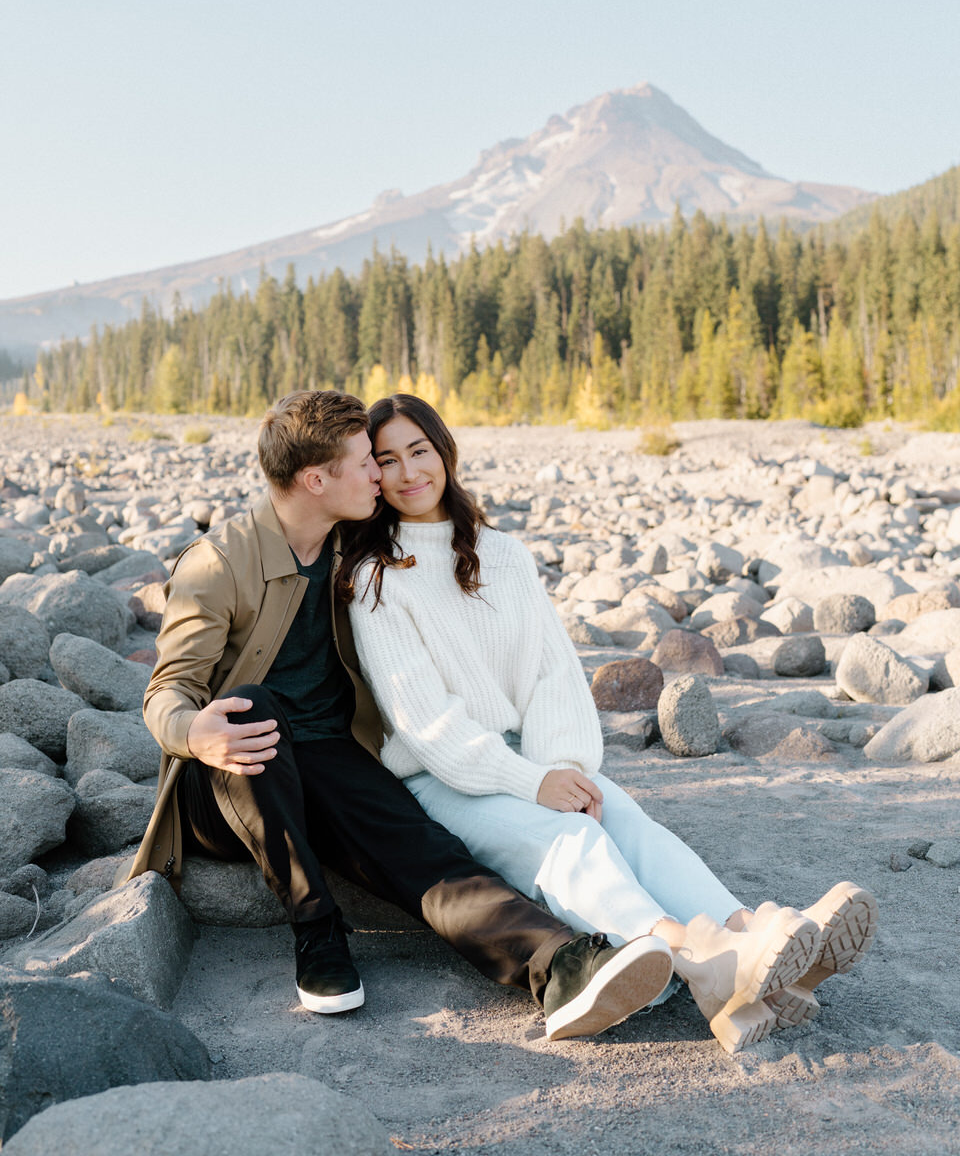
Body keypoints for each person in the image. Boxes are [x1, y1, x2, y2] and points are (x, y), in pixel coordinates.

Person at [126, 388, 679, 1041]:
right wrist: (194, 731)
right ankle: (317, 930)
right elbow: (166, 689)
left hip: (328, 762)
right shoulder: (218, 564)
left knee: (423, 850)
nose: (380, 476)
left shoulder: (352, 546)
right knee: (257, 707)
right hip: (223, 783)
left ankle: (561, 965)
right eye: (366, 462)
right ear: (316, 479)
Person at [341, 393, 879, 1055]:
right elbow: (429, 725)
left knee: (626, 823)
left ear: (444, 450)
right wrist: (533, 784)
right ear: (372, 475)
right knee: (573, 841)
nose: (406, 472)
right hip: (446, 775)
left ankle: (749, 940)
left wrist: (560, 765)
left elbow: (552, 674)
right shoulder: (375, 582)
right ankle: (703, 962)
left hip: (532, 757)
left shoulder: (503, 555)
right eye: (386, 460)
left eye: (418, 450)